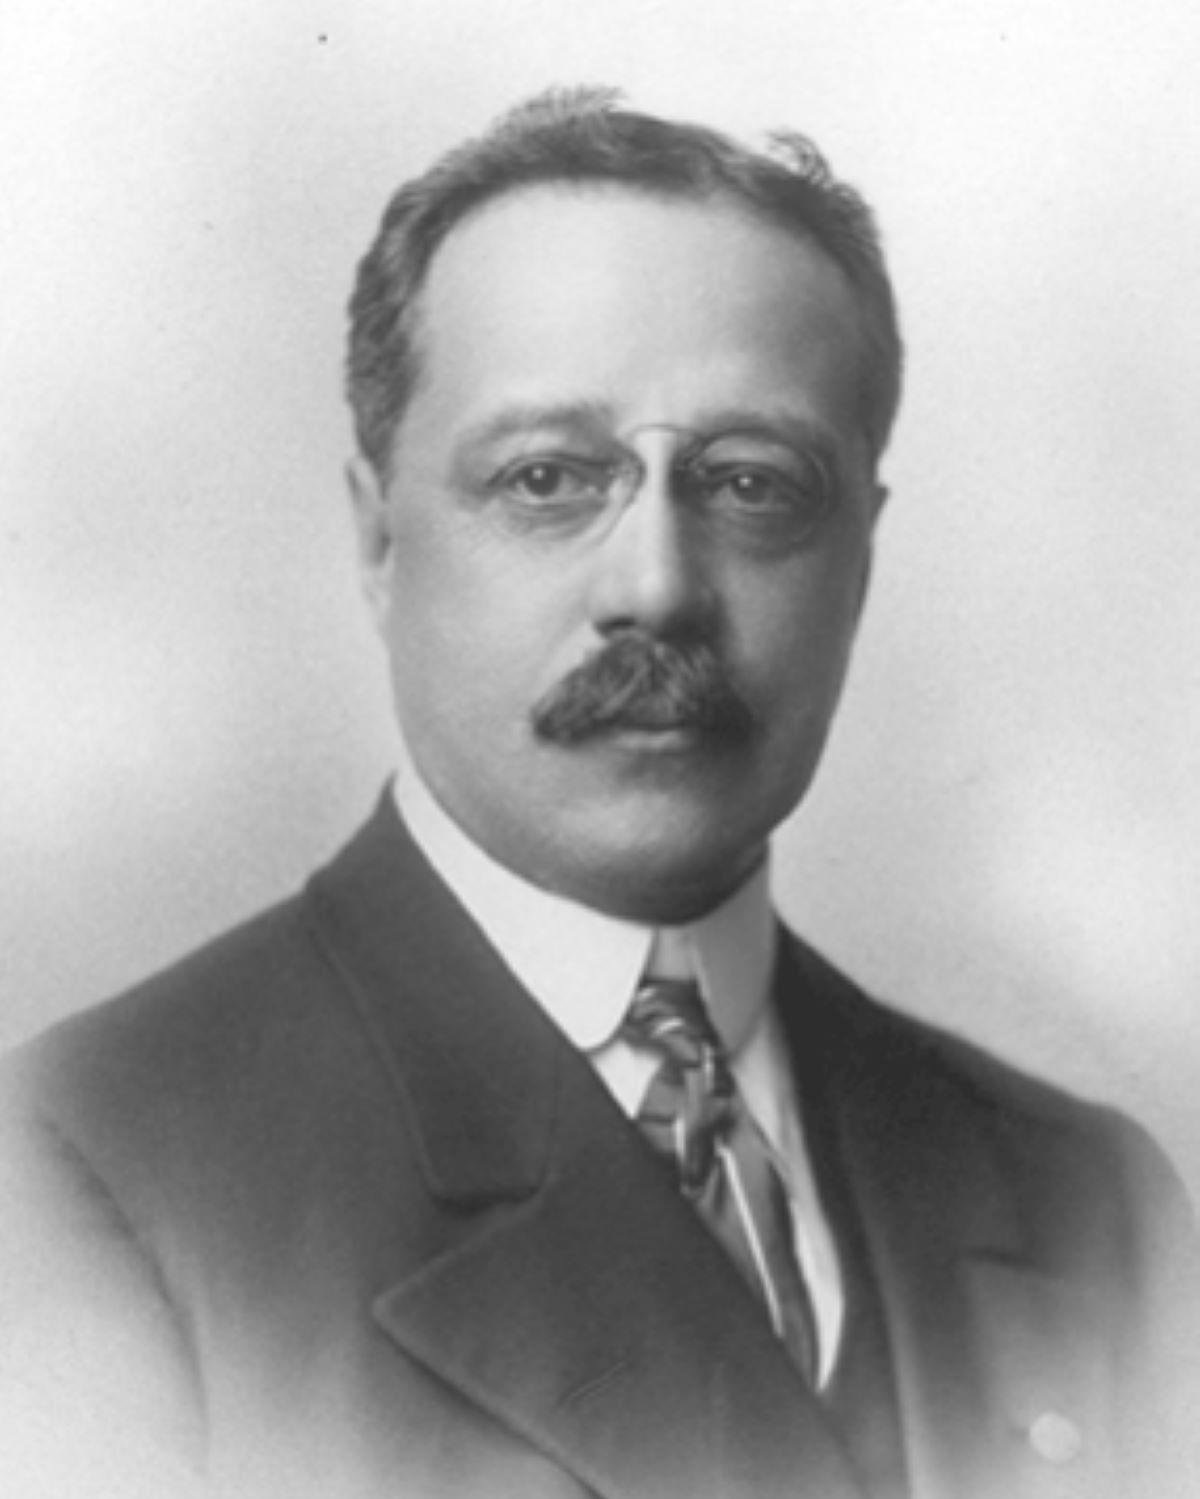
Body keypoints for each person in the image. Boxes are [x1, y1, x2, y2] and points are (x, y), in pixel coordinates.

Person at [0, 87, 1194, 1499]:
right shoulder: (90, 1176)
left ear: (860, 561)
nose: (658, 590)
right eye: (550, 479)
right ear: (382, 543)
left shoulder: (1092, 1204)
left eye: (751, 485)